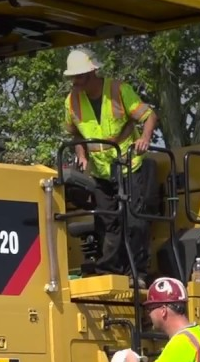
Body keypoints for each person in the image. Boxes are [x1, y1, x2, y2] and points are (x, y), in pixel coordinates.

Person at [62, 48, 159, 283]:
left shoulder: (118, 90)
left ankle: (137, 274)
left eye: (80, 76)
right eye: (73, 77)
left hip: (129, 164)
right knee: (106, 222)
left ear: (93, 71)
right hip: (100, 172)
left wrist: (144, 139)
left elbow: (149, 116)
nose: (75, 81)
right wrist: (81, 154)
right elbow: (75, 133)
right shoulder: (71, 101)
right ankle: (109, 273)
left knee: (134, 220)